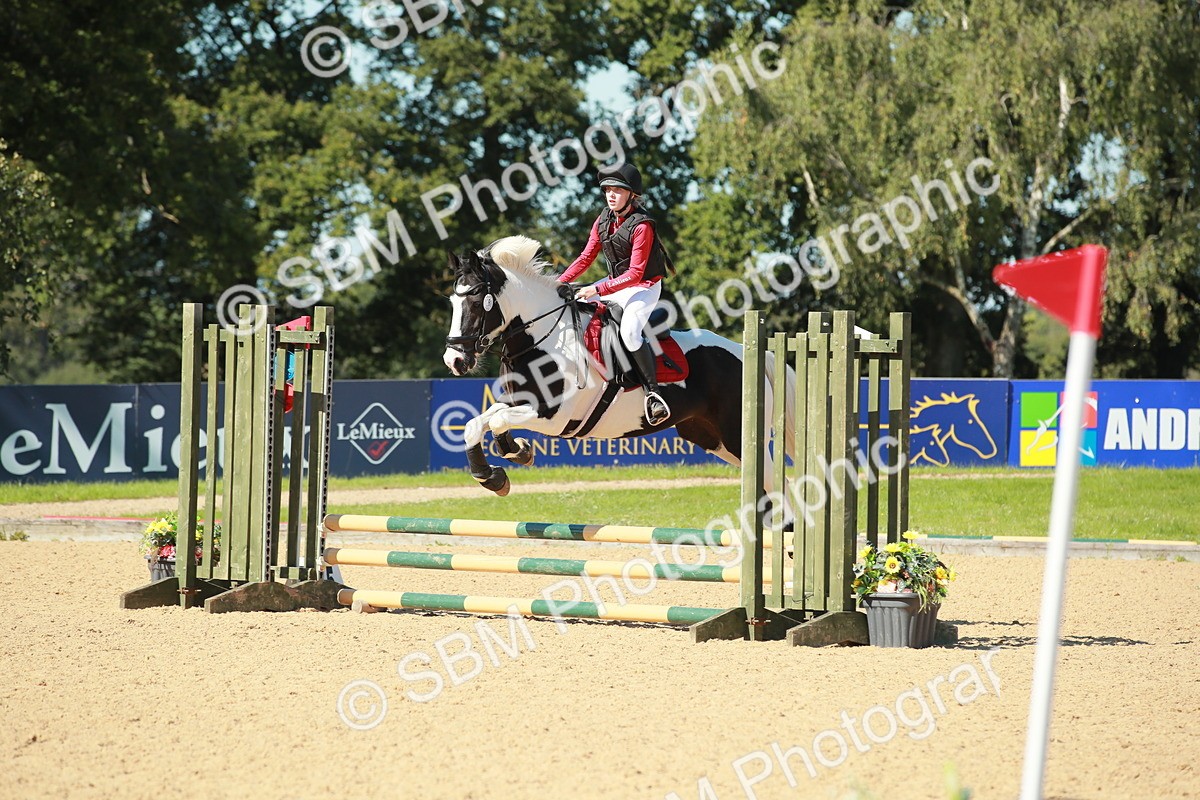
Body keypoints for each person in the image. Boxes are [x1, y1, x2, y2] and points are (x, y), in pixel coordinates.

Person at [557, 163, 673, 425]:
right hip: (614, 283)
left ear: (632, 194)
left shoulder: (642, 226)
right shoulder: (603, 220)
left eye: (617, 190)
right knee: (572, 308)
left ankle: (653, 394)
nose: (610, 195)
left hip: (643, 287)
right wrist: (558, 283)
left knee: (630, 333)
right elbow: (586, 257)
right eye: (607, 190)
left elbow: (634, 274)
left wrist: (596, 289)